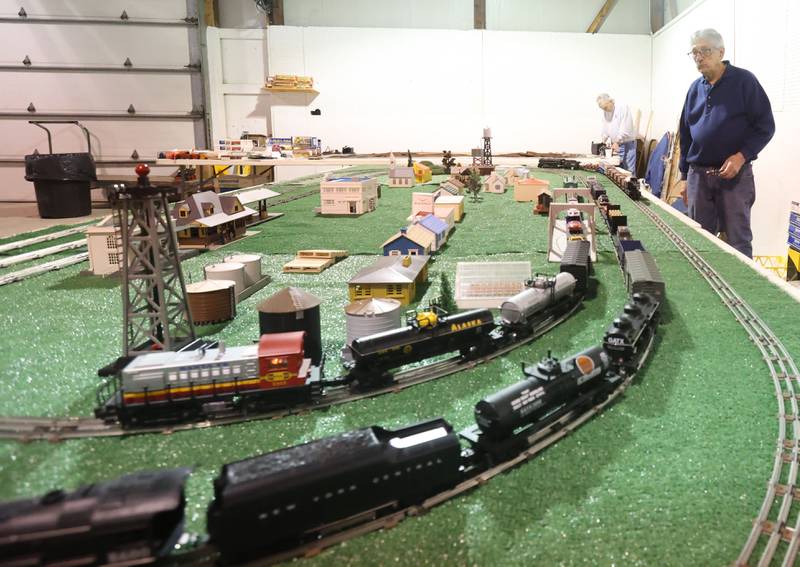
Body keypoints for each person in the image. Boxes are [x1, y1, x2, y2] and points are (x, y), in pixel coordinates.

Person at [678, 28, 775, 259]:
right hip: (698, 177)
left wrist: (741, 156)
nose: (699, 57)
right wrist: (684, 177)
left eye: (705, 51)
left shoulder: (744, 81)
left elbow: (765, 126)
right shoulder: (694, 89)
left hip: (734, 177)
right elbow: (686, 134)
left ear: (721, 52)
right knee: (699, 241)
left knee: (737, 241)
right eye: (694, 53)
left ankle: (741, 293)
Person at [597, 94, 637, 175]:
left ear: (611, 101)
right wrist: (603, 140)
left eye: (605, 107)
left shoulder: (622, 108)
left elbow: (625, 128)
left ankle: (630, 187)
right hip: (616, 143)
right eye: (603, 109)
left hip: (626, 143)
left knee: (629, 170)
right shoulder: (606, 111)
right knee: (618, 169)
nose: (605, 110)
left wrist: (617, 142)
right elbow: (606, 125)